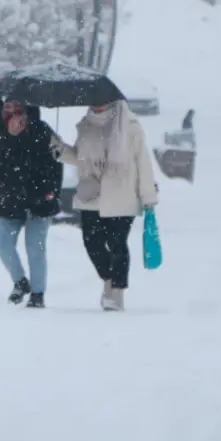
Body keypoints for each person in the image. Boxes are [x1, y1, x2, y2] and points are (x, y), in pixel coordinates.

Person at [53, 100, 158, 311]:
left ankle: (117, 292)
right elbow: (80, 158)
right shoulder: (86, 125)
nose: (98, 104)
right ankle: (109, 280)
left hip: (122, 194)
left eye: (103, 100)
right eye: (95, 100)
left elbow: (143, 162)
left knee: (117, 243)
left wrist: (148, 196)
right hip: (92, 194)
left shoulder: (129, 126)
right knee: (92, 243)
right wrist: (59, 149)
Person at [0, 97, 63, 309]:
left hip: (39, 197)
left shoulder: (41, 130)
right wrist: (9, 134)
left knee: (35, 247)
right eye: (8, 107)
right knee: (3, 243)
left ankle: (38, 293)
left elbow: (54, 161)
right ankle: (20, 281)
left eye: (18, 108)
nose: (14, 113)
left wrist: (52, 190)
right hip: (11, 197)